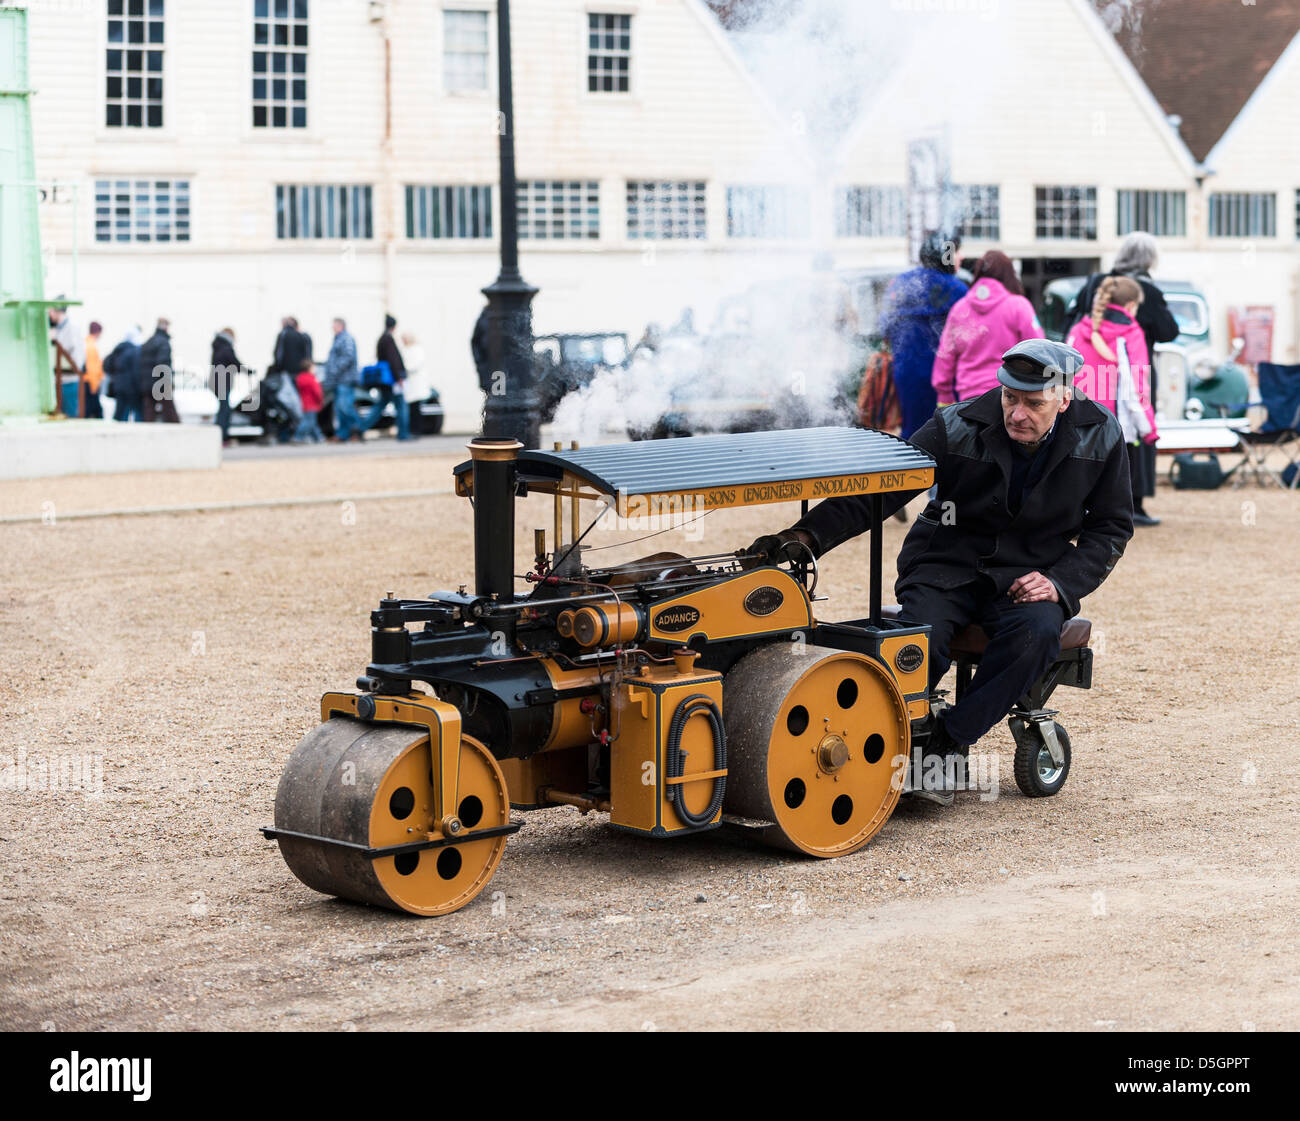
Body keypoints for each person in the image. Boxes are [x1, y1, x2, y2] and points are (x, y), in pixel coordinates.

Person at [745, 339, 1133, 803]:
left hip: (1028, 578)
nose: (1017, 413)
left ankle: (948, 742)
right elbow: (882, 490)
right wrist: (807, 537)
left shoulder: (1102, 434)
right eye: (1010, 398)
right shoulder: (956, 424)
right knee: (917, 644)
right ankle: (879, 741)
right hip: (944, 565)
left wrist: (1059, 583)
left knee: (1035, 636)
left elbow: (1110, 528)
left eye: (1034, 403)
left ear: (1065, 398)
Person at [1068, 231, 1178, 524]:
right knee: (1134, 442)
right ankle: (1132, 504)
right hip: (1130, 376)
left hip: (1089, 382)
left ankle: (1084, 508)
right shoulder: (1145, 293)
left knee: (1086, 449)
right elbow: (1169, 331)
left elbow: (1072, 325)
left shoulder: (1095, 283)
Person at [1067, 277, 1158, 524]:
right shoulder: (1130, 333)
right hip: (1116, 426)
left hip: (1078, 422)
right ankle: (1108, 527)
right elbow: (1136, 383)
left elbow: (1061, 376)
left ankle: (1075, 521)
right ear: (1130, 306)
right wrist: (1147, 427)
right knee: (1114, 484)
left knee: (1079, 480)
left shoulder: (1077, 330)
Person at [880, 232, 968, 438]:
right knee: (945, 432)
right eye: (957, 251)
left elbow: (884, 327)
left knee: (912, 432)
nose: (961, 257)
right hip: (946, 377)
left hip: (906, 371)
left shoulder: (899, 284)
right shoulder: (957, 289)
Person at [932, 251, 1043, 403]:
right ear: (1009, 274)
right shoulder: (1018, 306)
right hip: (1009, 395)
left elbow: (945, 354)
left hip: (969, 399)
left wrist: (944, 394)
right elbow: (1039, 350)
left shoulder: (960, 309)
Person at [358, 315, 411, 440]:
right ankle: (403, 434)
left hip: (386, 381)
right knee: (401, 406)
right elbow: (393, 360)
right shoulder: (388, 339)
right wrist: (399, 377)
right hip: (392, 380)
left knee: (380, 406)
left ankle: (360, 428)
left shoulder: (382, 338)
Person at [321, 317, 360, 443]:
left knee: (345, 407)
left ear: (340, 326)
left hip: (345, 379)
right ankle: (343, 434)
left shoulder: (346, 338)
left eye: (334, 325)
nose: (332, 328)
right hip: (338, 380)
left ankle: (357, 429)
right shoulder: (338, 339)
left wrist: (335, 369)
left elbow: (348, 357)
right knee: (339, 408)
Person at [140, 318, 179, 423]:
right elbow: (163, 364)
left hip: (147, 383)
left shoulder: (148, 342)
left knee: (149, 412)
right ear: (166, 327)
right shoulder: (163, 343)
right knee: (170, 412)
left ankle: (146, 434)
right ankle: (178, 434)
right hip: (160, 383)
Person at [104, 327, 145, 423]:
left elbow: (107, 365)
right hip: (132, 389)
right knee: (138, 415)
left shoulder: (118, 349)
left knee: (120, 416)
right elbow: (137, 372)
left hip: (119, 387)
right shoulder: (135, 351)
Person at [210, 327, 242, 446]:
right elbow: (234, 362)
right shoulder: (226, 347)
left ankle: (220, 436)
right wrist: (247, 371)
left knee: (223, 408)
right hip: (223, 382)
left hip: (217, 381)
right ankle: (221, 436)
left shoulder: (218, 346)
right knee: (225, 410)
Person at [400, 331, 427, 439]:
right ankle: (412, 429)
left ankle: (416, 430)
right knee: (411, 408)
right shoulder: (406, 350)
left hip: (416, 384)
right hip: (410, 384)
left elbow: (414, 365)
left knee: (416, 409)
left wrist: (404, 369)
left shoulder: (417, 349)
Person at [293, 357, 324, 443]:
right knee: (308, 422)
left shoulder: (300, 378)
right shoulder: (311, 379)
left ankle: (319, 437)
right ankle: (298, 437)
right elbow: (317, 392)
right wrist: (320, 400)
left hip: (304, 404)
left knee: (312, 422)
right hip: (312, 404)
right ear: (309, 368)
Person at [83, 322, 105, 419]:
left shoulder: (87, 343)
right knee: (96, 411)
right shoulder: (91, 346)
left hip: (88, 381)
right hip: (90, 382)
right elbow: (92, 368)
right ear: (98, 332)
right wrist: (94, 386)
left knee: (90, 409)